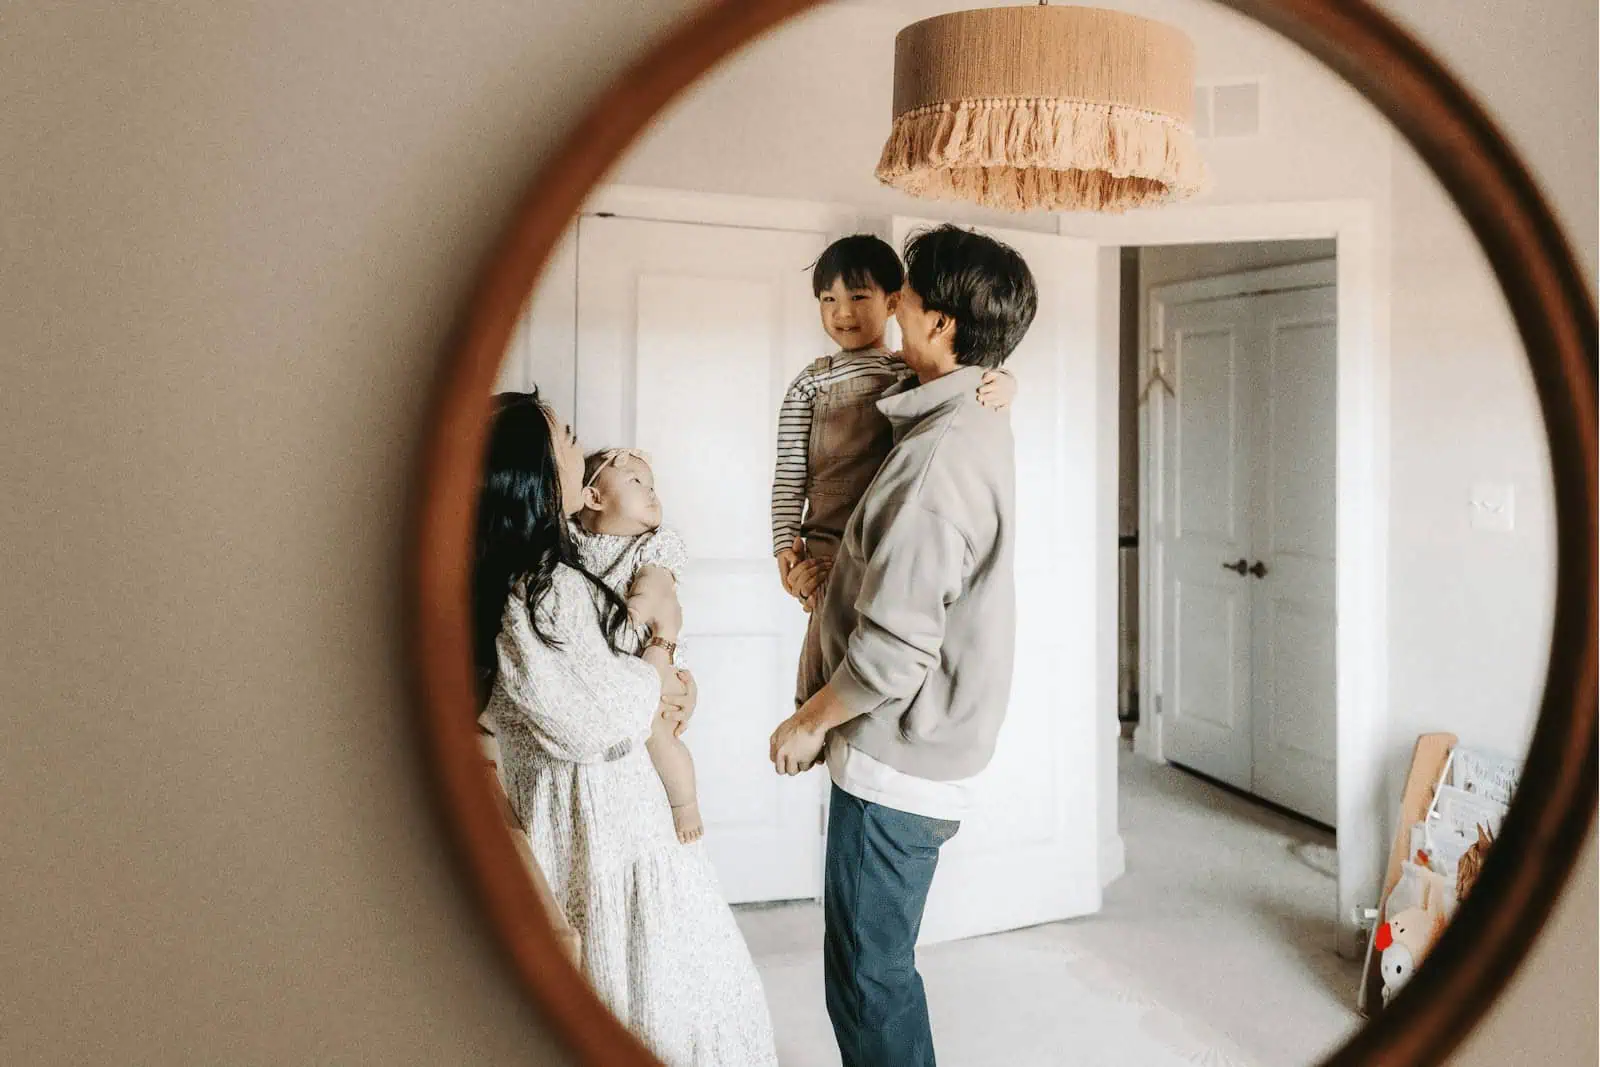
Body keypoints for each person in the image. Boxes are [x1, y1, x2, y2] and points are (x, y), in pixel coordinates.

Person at [769, 225, 1038, 1067]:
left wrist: (809, 719)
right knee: (871, 966)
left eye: (906, 295)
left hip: (897, 758)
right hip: (916, 748)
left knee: (867, 974)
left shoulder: (938, 461)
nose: (890, 309)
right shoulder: (960, 414)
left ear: (940, 323)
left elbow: (894, 651)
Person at [475, 391, 777, 1067]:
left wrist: (666, 674)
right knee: (646, 1002)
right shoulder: (532, 590)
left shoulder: (564, 572)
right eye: (569, 438)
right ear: (537, 474)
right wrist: (657, 674)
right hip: (597, 831)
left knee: (694, 988)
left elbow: (617, 671)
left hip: (627, 823)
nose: (582, 449)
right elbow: (593, 715)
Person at [771, 234, 1016, 704]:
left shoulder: (907, 370)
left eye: (858, 297)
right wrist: (785, 542)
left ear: (892, 302)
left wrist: (1008, 383)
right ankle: (812, 717)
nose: (842, 313)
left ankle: (829, 719)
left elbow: (976, 376)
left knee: (877, 635)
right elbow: (788, 472)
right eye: (829, 300)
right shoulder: (810, 383)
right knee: (825, 637)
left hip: (882, 535)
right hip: (826, 537)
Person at [572, 445, 702, 843]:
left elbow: (653, 580)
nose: (651, 493)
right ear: (594, 497)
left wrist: (638, 608)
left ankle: (685, 805)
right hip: (614, 675)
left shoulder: (652, 543)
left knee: (658, 735)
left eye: (652, 485)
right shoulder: (571, 540)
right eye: (636, 482)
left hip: (651, 657)